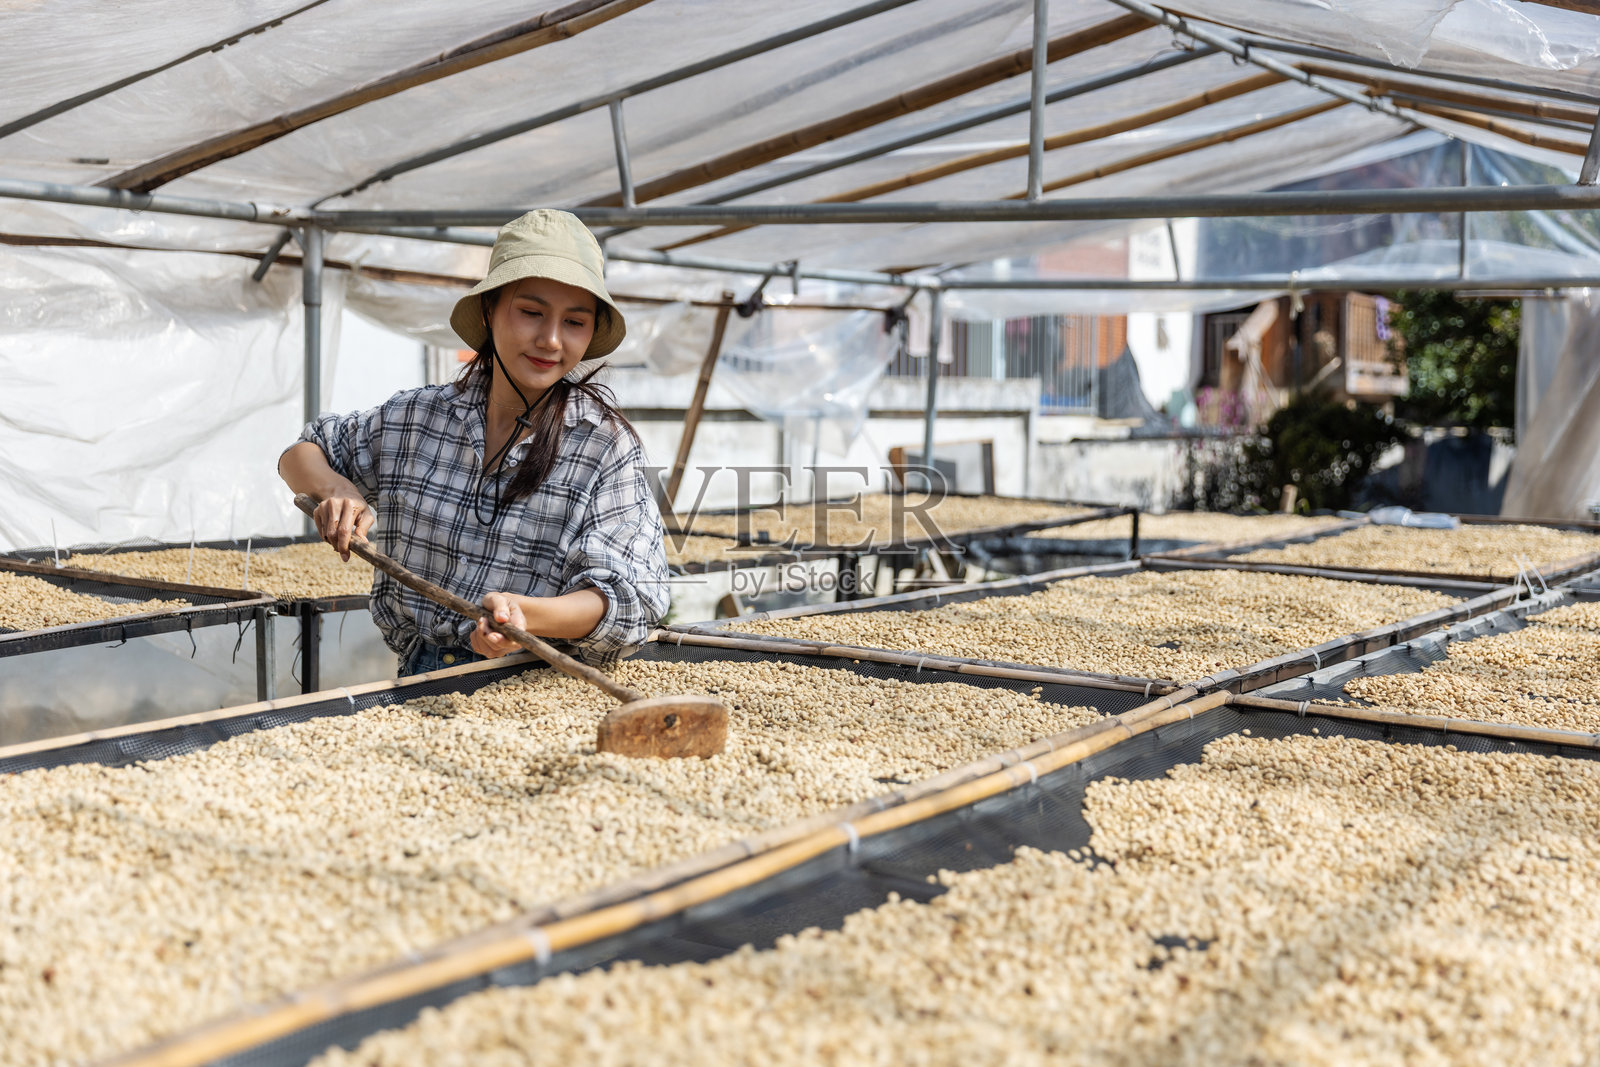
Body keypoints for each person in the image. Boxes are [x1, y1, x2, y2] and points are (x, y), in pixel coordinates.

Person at [278, 209, 669, 675]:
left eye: (574, 322)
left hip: (535, 690)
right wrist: (337, 490)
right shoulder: (416, 419)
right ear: (489, 309)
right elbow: (302, 453)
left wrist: (522, 617)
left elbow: (628, 600)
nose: (550, 339)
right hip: (416, 678)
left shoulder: (602, 447)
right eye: (531, 312)